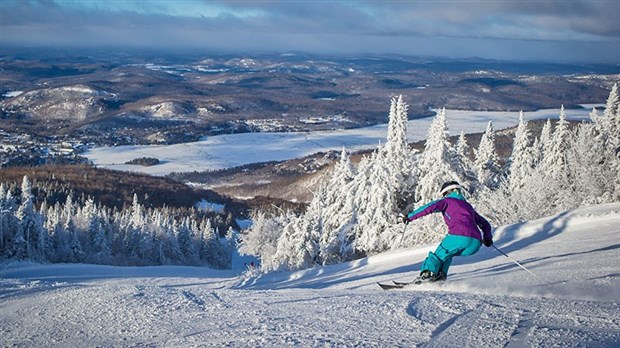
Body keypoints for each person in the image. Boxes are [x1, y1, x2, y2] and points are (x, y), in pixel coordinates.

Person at [400, 181, 493, 283]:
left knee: (437, 255)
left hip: (459, 236)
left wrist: (410, 217)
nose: (444, 197)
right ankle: (440, 276)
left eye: (444, 194)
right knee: (447, 254)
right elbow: (485, 224)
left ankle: (427, 275)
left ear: (448, 192)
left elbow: (429, 207)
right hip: (475, 243)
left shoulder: (448, 201)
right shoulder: (468, 206)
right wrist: (488, 239)